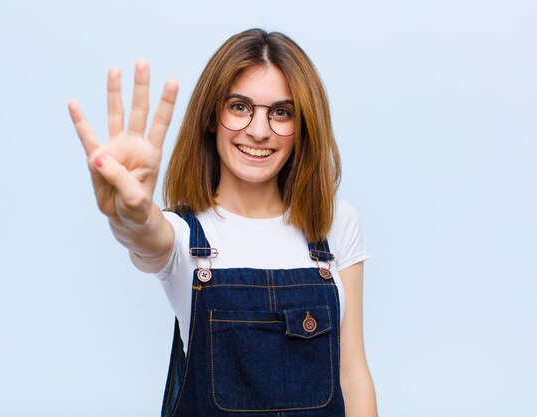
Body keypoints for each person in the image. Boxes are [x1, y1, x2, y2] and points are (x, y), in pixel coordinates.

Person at [68, 28, 377, 417]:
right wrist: (129, 214)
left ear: (303, 127)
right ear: (212, 116)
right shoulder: (181, 235)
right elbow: (145, 234)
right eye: (240, 107)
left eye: (281, 112)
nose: (259, 130)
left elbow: (353, 375)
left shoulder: (336, 223)